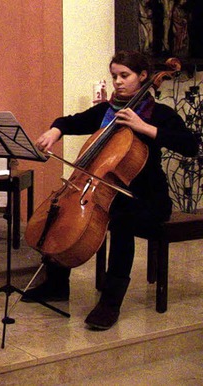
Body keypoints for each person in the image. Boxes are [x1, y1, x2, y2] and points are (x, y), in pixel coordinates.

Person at [24, 50, 198, 330]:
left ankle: (110, 301)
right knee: (62, 212)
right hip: (107, 191)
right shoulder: (107, 112)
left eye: (124, 75)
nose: (117, 82)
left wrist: (146, 128)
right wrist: (55, 131)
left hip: (147, 199)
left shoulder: (159, 114)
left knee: (121, 221)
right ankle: (56, 284)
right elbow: (71, 121)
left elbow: (190, 146)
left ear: (143, 77)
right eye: (114, 75)